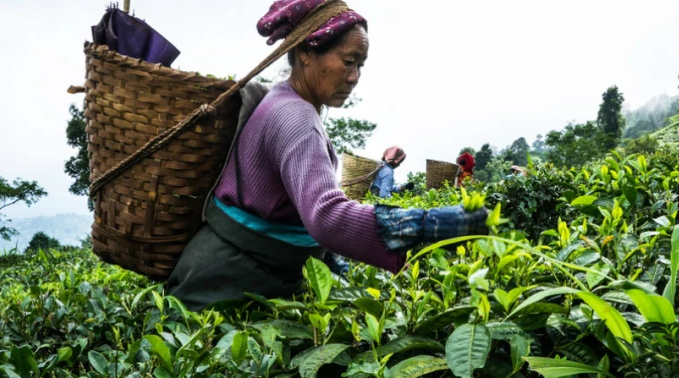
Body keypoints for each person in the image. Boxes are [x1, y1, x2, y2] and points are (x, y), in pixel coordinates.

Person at [165, 0, 489, 311]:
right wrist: (430, 223)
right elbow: (327, 217)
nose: (354, 77)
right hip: (226, 285)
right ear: (306, 52)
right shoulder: (296, 117)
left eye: (361, 65)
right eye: (348, 61)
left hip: (226, 272)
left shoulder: (282, 99)